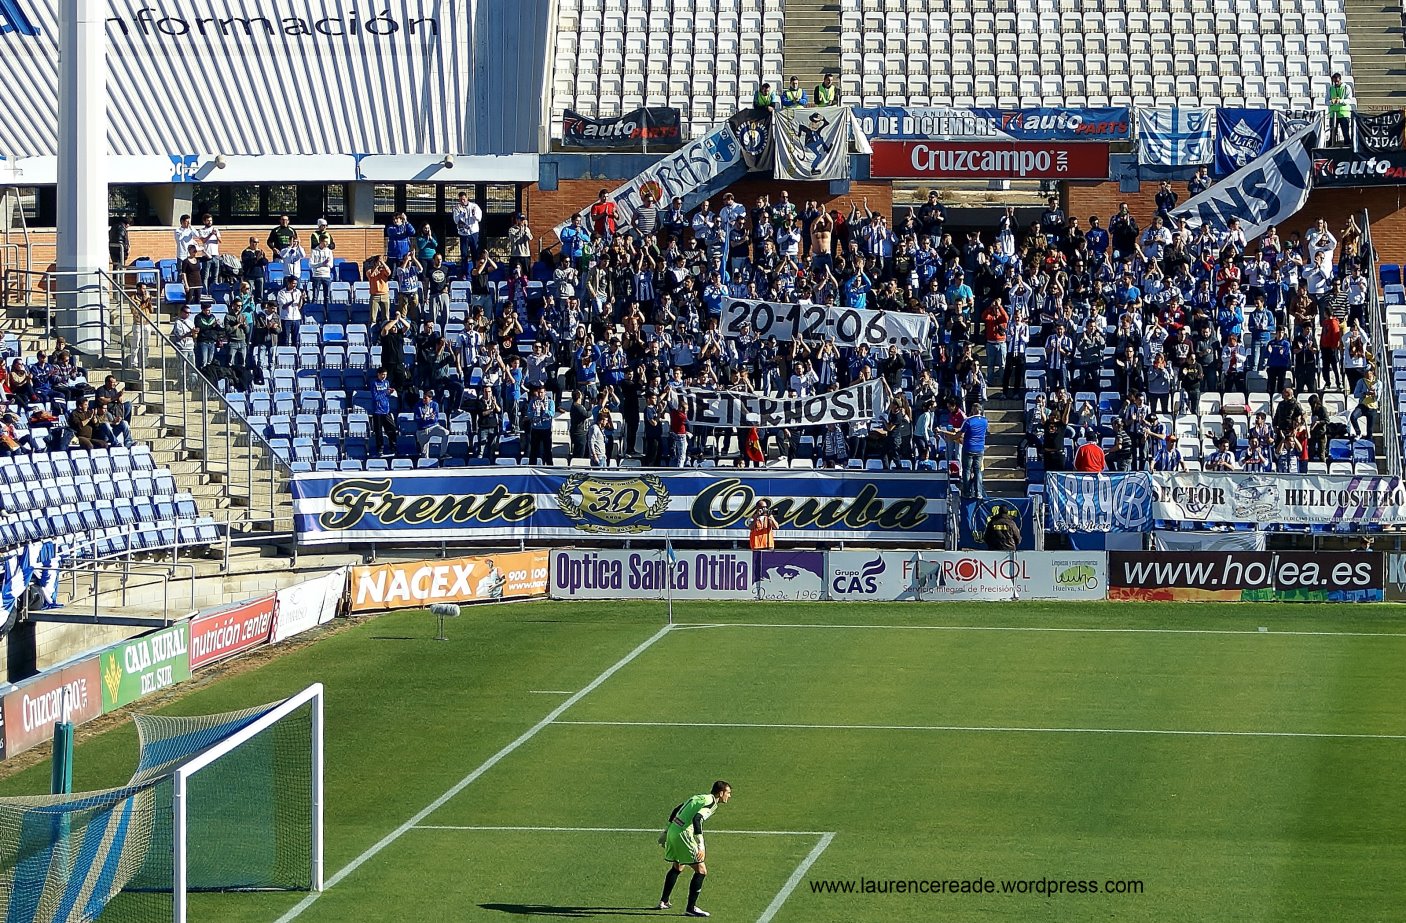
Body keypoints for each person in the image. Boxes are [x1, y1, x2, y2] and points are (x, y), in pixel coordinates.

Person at [658, 781, 732, 917]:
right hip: (683, 834)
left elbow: (677, 809)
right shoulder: (711, 803)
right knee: (701, 871)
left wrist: (666, 831)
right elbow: (697, 819)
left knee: (678, 866)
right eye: (728, 793)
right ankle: (690, 908)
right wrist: (701, 844)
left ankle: (664, 901)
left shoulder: (700, 797)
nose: (729, 796)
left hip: (673, 830)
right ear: (721, 793)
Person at [1327, 71, 1354, 147]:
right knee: (1332, 133)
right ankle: (1331, 147)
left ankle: (1347, 146)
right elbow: (1326, 101)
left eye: (1337, 81)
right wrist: (1331, 102)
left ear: (1340, 80)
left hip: (1344, 114)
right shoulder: (1330, 88)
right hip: (1333, 114)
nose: (1336, 83)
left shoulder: (1346, 87)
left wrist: (1340, 101)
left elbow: (1349, 100)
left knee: (1345, 133)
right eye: (1334, 82)